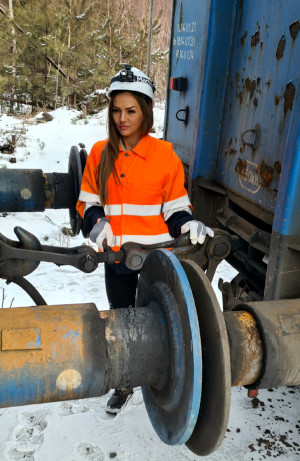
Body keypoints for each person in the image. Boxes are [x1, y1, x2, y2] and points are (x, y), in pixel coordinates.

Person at [76, 64, 214, 414]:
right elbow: (87, 202)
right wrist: (96, 224)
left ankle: (161, 376)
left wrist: (188, 225)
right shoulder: (99, 154)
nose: (123, 118)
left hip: (157, 261)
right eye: (117, 110)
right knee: (122, 321)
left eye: (131, 111)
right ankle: (124, 382)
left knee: (159, 322)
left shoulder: (164, 156)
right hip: (117, 259)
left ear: (146, 111)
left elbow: (176, 209)